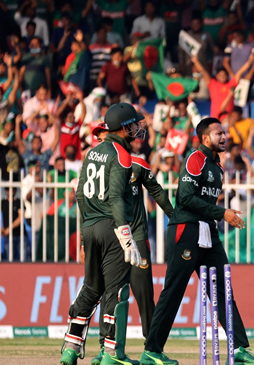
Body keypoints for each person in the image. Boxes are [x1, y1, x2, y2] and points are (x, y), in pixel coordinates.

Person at [142, 118, 254, 365]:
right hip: (186, 231)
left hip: (209, 233)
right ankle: (151, 351)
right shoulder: (194, 159)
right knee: (174, 291)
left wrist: (216, 216)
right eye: (219, 133)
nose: (224, 137)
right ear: (205, 138)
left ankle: (240, 348)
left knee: (222, 291)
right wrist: (222, 213)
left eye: (224, 133)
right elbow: (184, 199)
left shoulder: (218, 167)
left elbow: (206, 204)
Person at [60, 103, 145, 365]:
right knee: (115, 291)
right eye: (133, 124)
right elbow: (117, 199)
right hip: (112, 226)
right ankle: (110, 353)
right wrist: (126, 236)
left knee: (91, 287)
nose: (136, 128)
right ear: (123, 127)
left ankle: (70, 349)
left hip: (90, 225)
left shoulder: (92, 152)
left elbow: (79, 195)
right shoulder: (122, 154)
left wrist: (86, 235)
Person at [89, 153, 174, 364]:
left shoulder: (138, 164)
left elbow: (157, 192)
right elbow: (88, 203)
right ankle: (106, 349)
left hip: (137, 236)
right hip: (112, 236)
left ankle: (152, 349)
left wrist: (176, 216)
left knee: (144, 294)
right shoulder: (100, 164)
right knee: (111, 294)